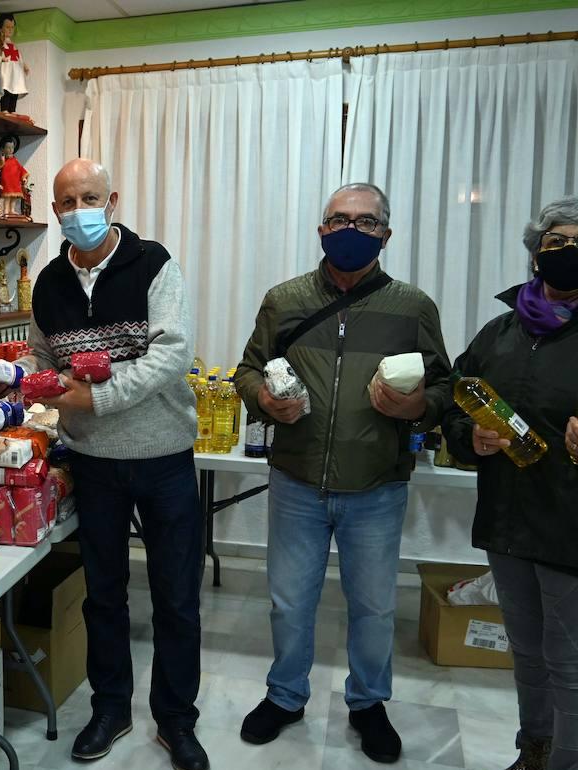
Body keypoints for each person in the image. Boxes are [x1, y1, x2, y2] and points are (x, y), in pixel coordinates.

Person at [234, 183, 452, 763]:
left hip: (377, 484)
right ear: (322, 229)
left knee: (374, 607)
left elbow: (444, 386)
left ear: (386, 233)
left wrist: (418, 406)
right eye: (339, 219)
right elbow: (248, 370)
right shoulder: (284, 299)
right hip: (297, 479)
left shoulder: (412, 307)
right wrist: (264, 400)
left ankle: (368, 703)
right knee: (288, 602)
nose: (351, 230)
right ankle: (285, 696)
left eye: (366, 221)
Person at [10, 159, 207, 769]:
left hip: (163, 455)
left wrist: (97, 396)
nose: (79, 211)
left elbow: (172, 355)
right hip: (92, 461)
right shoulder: (49, 283)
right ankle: (110, 709)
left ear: (112, 200)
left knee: (176, 596)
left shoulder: (153, 264)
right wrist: (24, 377)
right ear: (55, 210)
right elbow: (44, 356)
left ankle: (176, 719)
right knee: (103, 595)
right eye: (67, 202)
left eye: (89, 198)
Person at [441, 197, 578, 770]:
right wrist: (469, 437)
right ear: (535, 253)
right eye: (556, 242)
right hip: (505, 517)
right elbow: (454, 399)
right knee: (525, 651)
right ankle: (534, 751)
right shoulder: (498, 332)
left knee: (568, 660)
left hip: (569, 524)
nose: (567, 251)